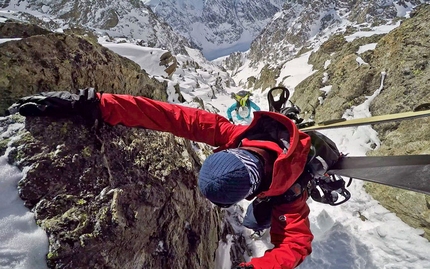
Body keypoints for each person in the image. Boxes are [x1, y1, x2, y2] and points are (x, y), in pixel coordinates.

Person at [6, 88, 313, 269]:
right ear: (232, 153)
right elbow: (168, 115)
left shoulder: (289, 193)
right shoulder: (236, 135)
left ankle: (258, 219)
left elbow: (296, 243)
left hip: (277, 189)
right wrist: (93, 103)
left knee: (259, 218)